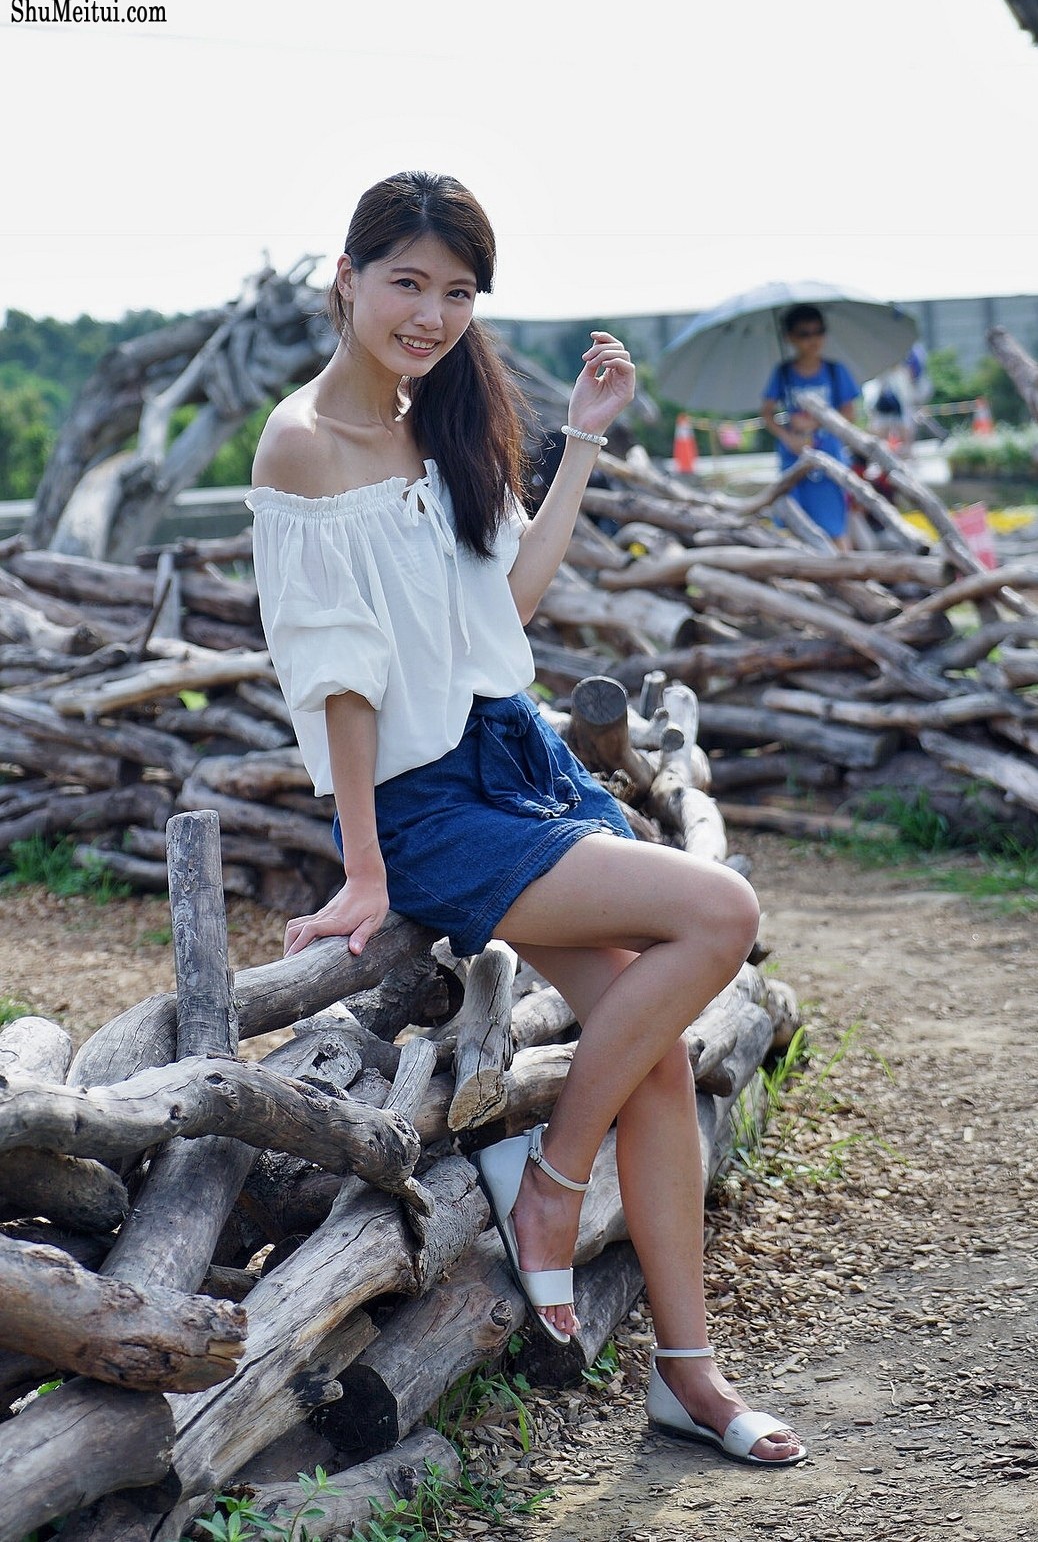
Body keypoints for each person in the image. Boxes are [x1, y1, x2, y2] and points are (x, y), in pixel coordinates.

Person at [246, 171, 806, 1469]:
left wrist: (584, 441)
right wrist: (366, 867)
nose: (431, 314)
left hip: (516, 762)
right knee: (719, 910)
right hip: (427, 805)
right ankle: (551, 1183)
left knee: (653, 1055)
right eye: (406, 283)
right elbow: (335, 675)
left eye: (458, 292)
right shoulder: (301, 443)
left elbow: (504, 614)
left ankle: (688, 1376)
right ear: (345, 278)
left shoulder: (437, 416)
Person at [759, 303, 861, 546]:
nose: (812, 339)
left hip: (828, 457)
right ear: (790, 337)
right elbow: (767, 413)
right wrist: (788, 437)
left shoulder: (835, 371)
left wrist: (815, 422)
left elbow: (849, 414)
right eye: (804, 334)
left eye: (818, 332)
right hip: (794, 458)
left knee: (834, 526)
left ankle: (843, 566)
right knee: (794, 524)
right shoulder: (783, 373)